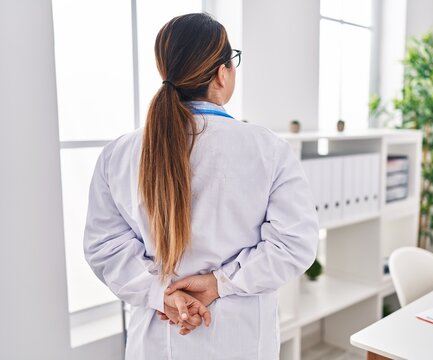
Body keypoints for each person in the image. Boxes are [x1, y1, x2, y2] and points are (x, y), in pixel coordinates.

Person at [84, 13, 318, 360]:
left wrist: (161, 291)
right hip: (239, 339)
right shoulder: (266, 148)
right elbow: (294, 244)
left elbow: (104, 247)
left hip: (155, 339)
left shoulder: (119, 153)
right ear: (223, 73)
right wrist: (219, 284)